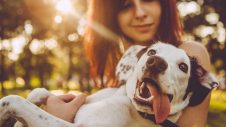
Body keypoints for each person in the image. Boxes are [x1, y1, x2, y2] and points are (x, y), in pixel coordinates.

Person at [45, 0, 211, 126]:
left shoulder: (190, 56)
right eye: (125, 5)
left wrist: (53, 122)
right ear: (109, 15)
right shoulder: (122, 70)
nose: (139, 13)